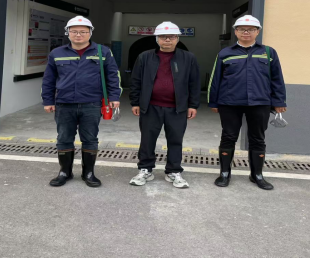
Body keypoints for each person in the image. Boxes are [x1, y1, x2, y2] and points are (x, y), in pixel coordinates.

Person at [208, 15, 287, 190]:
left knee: (257, 138)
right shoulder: (225, 53)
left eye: (251, 29)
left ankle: (257, 175)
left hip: (260, 102)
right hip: (230, 103)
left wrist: (279, 101)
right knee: (228, 137)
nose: (246, 32)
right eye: (242, 29)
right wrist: (213, 102)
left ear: (257, 32)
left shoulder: (268, 52)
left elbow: (277, 79)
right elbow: (215, 79)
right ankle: (224, 173)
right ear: (236, 32)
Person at [42, 16, 121, 188]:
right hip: (64, 103)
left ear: (90, 33)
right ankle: (65, 172)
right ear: (68, 33)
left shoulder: (103, 52)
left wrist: (114, 97)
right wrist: (48, 100)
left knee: (90, 139)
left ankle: (88, 173)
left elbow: (113, 76)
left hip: (91, 103)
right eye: (74, 31)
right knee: (64, 138)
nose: (78, 35)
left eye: (83, 32)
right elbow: (48, 79)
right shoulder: (57, 53)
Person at [129, 21, 201, 189]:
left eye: (171, 37)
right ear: (157, 39)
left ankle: (173, 171)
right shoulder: (145, 57)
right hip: (150, 106)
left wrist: (193, 105)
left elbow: (194, 83)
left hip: (177, 108)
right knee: (147, 140)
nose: (167, 40)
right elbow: (136, 80)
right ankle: (145, 169)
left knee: (175, 140)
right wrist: (135, 102)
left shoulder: (188, 58)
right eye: (163, 37)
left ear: (177, 39)